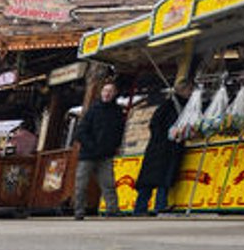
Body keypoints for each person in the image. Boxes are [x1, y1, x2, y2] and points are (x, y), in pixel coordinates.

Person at [133, 81, 190, 216]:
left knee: (163, 179)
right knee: (152, 180)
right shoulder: (169, 106)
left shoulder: (182, 107)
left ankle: (159, 205)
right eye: (189, 90)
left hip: (169, 148)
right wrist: (167, 134)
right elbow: (155, 124)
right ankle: (142, 208)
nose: (191, 93)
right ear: (183, 91)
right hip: (160, 148)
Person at [72, 80, 126, 219]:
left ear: (115, 94)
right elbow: (80, 132)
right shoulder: (93, 110)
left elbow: (119, 131)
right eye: (105, 91)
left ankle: (112, 209)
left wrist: (116, 146)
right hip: (88, 153)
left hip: (106, 154)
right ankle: (79, 210)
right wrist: (91, 145)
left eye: (110, 91)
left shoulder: (118, 112)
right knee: (81, 183)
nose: (107, 94)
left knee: (108, 183)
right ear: (102, 93)